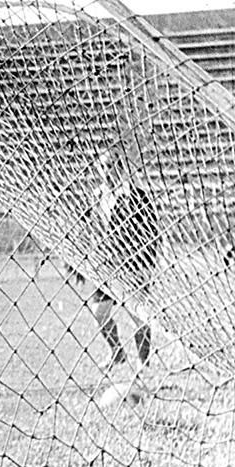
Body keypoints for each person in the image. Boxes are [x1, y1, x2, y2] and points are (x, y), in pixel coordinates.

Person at [81, 148, 159, 371]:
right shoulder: (97, 196)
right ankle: (117, 352)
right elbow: (91, 228)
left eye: (112, 165)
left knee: (137, 315)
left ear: (121, 167)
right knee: (99, 312)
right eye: (103, 166)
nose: (107, 171)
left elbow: (151, 231)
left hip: (133, 265)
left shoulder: (136, 196)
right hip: (106, 265)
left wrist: (144, 262)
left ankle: (144, 363)